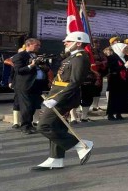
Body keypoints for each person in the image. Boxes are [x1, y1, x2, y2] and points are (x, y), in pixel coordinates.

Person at [33, 32, 94, 171]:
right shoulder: (72, 57)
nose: (65, 43)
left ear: (78, 43)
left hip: (64, 98)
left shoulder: (80, 58)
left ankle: (80, 145)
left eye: (68, 41)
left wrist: (56, 99)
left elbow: (75, 82)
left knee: (44, 125)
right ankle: (56, 159)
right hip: (58, 95)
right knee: (57, 127)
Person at [11, 38, 49, 134]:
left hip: (37, 84)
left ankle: (29, 124)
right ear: (29, 45)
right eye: (37, 45)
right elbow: (19, 70)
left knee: (33, 105)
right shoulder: (19, 56)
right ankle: (24, 126)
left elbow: (46, 68)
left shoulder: (36, 55)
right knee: (26, 106)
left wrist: (44, 67)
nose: (39, 47)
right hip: (25, 85)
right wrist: (31, 65)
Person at [106, 43, 128, 120]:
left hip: (124, 80)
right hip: (115, 80)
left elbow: (126, 67)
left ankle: (119, 113)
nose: (126, 50)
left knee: (122, 97)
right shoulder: (112, 57)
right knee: (114, 97)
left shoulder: (125, 57)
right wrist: (125, 65)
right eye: (124, 49)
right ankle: (111, 114)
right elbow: (113, 69)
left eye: (126, 48)